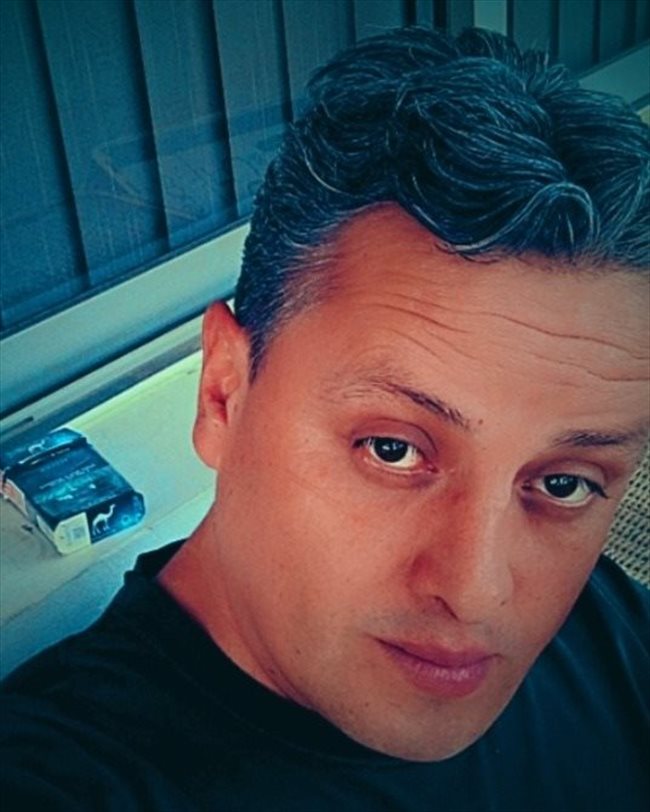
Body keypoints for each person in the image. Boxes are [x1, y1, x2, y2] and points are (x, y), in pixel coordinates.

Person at [1, 25, 649, 812]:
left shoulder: (606, 628)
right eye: (391, 449)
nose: (479, 594)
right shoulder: (65, 776)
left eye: (564, 483)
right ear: (224, 395)